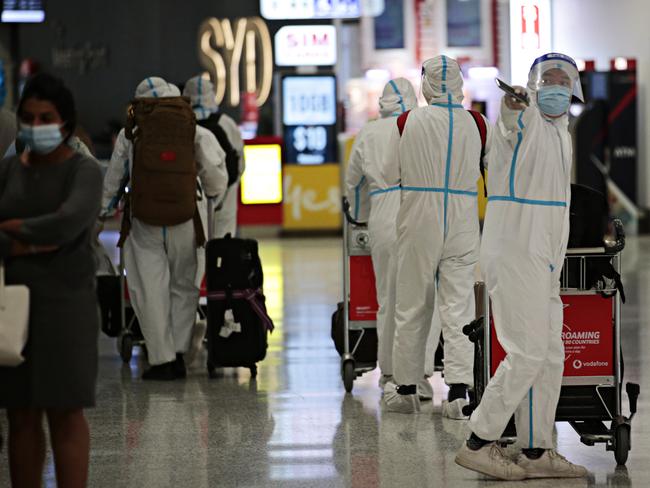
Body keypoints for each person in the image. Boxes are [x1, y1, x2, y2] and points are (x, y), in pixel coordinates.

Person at [455, 53, 589, 480]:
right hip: (516, 249)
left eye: (561, 80)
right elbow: (510, 120)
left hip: (546, 256)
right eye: (546, 79)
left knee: (550, 353)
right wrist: (514, 105)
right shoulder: (523, 120)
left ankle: (536, 450)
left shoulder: (561, 133)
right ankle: (479, 441)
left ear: (572, 89)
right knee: (528, 350)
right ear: (533, 86)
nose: (554, 86)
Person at [0, 73, 103, 488]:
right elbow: (53, 230)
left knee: (66, 411)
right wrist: (29, 243)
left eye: (46, 117)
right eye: (28, 117)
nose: (36, 125)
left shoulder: (84, 171)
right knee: (20, 413)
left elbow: (68, 223)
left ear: (64, 122)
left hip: (67, 306)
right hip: (13, 307)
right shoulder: (8, 170)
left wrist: (13, 231)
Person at [100, 77, 228, 380]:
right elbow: (217, 177)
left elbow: (115, 177)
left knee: (149, 288)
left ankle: (161, 360)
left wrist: (106, 209)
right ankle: (181, 354)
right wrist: (213, 197)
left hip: (144, 219)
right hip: (187, 214)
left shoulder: (130, 134)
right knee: (184, 285)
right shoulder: (194, 130)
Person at [384, 56, 484, 415]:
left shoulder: (407, 121)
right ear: (459, 83)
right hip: (462, 218)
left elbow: (390, 170)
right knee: (459, 307)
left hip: (418, 217)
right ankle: (459, 392)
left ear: (425, 82)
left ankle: (407, 388)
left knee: (412, 303)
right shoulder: (477, 123)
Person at [344, 78, 436, 400]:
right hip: (421, 208)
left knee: (389, 299)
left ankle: (390, 375)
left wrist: (359, 216)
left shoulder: (368, 133)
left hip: (382, 216)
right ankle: (421, 375)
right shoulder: (422, 125)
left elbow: (353, 183)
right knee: (424, 297)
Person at [183, 75, 245, 239]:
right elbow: (239, 161)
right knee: (222, 244)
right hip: (225, 198)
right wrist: (225, 191)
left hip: (187, 199)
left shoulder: (180, 123)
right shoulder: (226, 123)